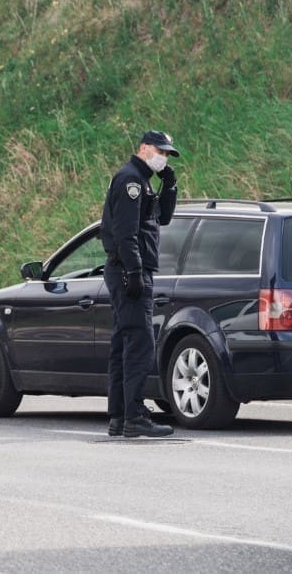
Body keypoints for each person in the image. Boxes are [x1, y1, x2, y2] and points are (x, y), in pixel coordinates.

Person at [100, 131, 179, 438]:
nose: (164, 157)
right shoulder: (130, 181)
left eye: (168, 154)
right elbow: (125, 233)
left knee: (124, 342)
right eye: (161, 151)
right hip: (129, 270)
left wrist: (169, 187)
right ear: (144, 148)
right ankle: (134, 415)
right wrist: (133, 272)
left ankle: (120, 416)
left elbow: (163, 218)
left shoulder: (143, 181)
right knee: (139, 344)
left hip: (130, 269)